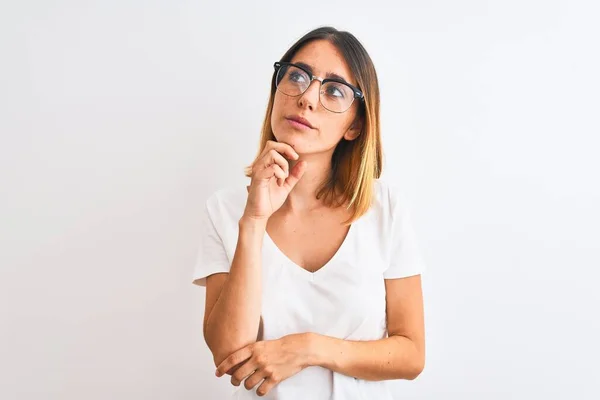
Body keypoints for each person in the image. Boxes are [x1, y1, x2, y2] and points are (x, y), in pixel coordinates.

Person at [192, 26, 427, 400]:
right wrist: (253, 222)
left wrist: (307, 349)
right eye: (297, 76)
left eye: (334, 90)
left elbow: (412, 354)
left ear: (355, 125)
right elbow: (228, 353)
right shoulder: (225, 210)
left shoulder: (385, 209)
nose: (307, 98)